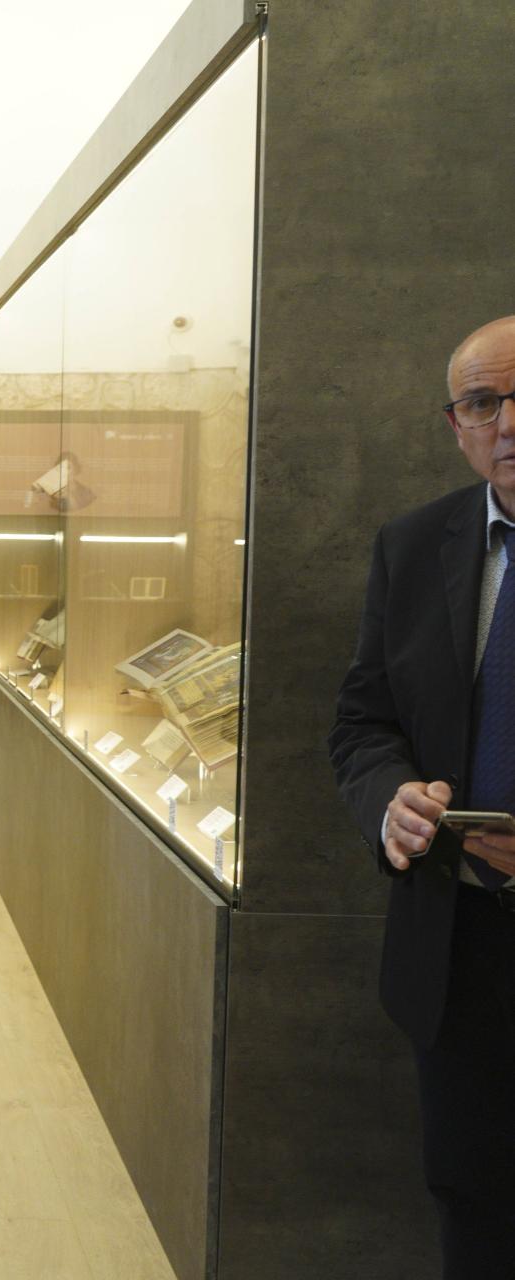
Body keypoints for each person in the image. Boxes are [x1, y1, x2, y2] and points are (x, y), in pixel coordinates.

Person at [328, 314, 515, 1276]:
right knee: (472, 1201)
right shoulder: (413, 547)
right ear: (457, 423)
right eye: (485, 404)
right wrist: (395, 798)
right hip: (460, 941)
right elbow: (362, 724)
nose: (510, 424)